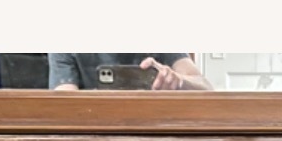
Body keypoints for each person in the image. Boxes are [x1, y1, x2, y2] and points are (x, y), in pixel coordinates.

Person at [48, 54, 212, 91]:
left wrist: (179, 80)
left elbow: (205, 87)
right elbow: (65, 103)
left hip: (154, 135)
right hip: (95, 138)